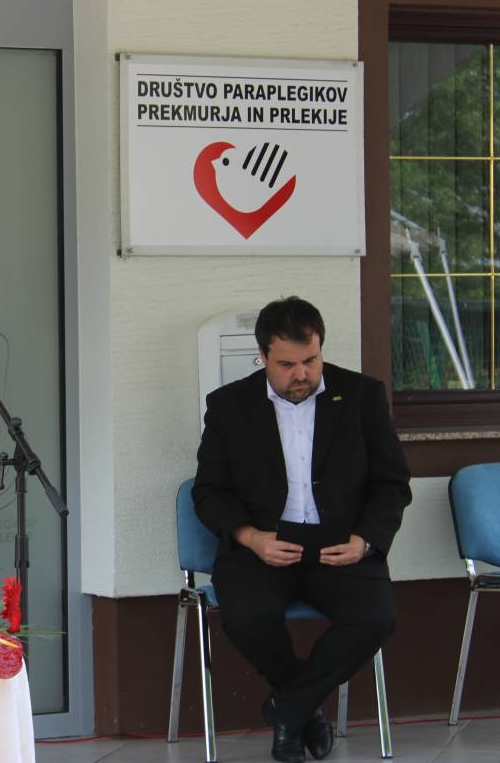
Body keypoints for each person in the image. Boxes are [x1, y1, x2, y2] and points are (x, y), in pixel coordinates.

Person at [192, 297, 411, 763]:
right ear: (263, 356)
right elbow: (209, 492)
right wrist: (250, 537)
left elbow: (391, 484)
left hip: (341, 543)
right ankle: (302, 711)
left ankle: (287, 708)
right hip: (264, 544)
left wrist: (365, 541)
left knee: (375, 618)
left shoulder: (362, 396)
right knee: (246, 617)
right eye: (287, 364)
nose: (302, 374)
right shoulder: (229, 406)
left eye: (311, 360)